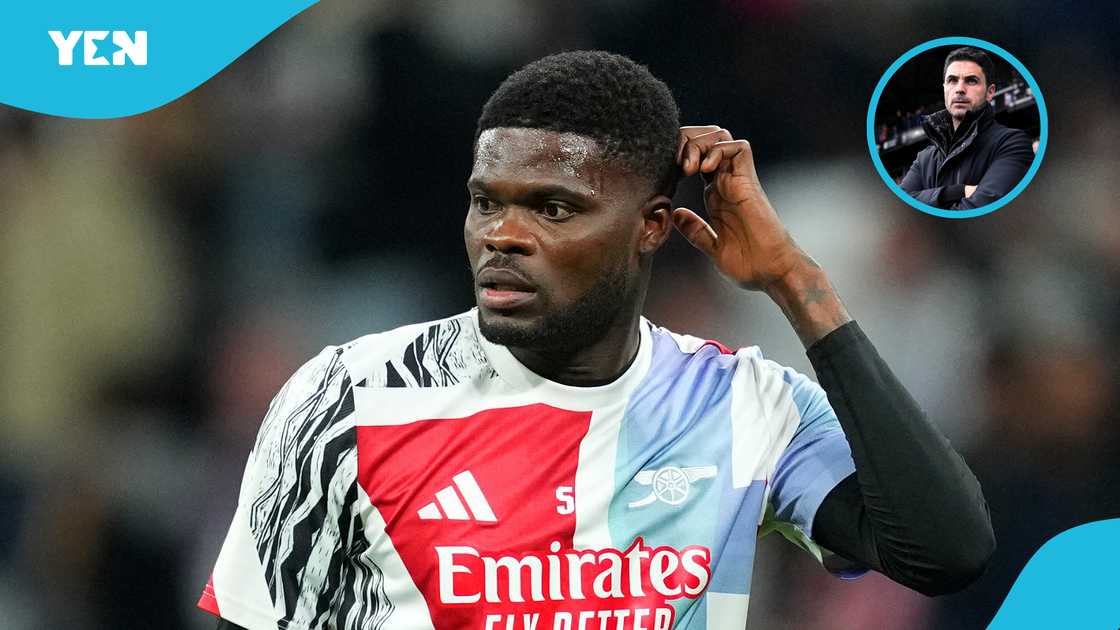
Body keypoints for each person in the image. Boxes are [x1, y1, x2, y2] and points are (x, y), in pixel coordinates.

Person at [200, 51, 994, 630]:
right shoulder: (349, 394)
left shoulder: (744, 403)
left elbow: (945, 550)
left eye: (552, 208)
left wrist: (797, 284)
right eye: (487, 202)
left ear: (652, 225)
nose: (502, 236)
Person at [900, 46, 1034, 210]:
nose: (960, 89)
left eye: (971, 81)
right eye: (952, 80)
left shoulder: (1012, 143)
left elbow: (980, 209)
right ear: (944, 89)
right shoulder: (924, 158)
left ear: (990, 92)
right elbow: (901, 205)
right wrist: (957, 191)